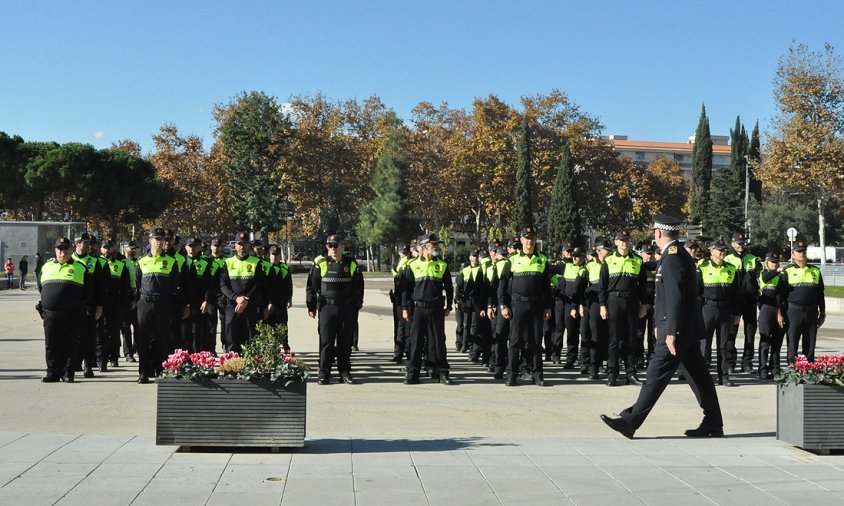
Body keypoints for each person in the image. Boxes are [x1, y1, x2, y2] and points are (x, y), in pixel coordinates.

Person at [601, 215, 723, 439]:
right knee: (699, 377)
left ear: (658, 233)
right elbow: (668, 298)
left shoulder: (673, 257)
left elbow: (675, 297)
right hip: (681, 329)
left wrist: (671, 331)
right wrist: (661, 323)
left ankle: (631, 421)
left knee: (655, 375)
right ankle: (713, 421)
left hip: (677, 332)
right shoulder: (674, 255)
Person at [498, 226, 553, 387]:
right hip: (517, 304)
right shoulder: (512, 260)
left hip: (536, 305)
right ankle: (512, 374)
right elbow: (502, 285)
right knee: (515, 341)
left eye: (532, 238)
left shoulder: (542, 259)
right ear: (521, 240)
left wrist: (548, 307)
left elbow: (547, 287)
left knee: (536, 341)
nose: (530, 241)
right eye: (527, 238)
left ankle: (537, 374)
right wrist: (503, 305)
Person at [306, 234, 364, 385]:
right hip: (327, 308)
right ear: (327, 247)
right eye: (330, 246)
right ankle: (324, 373)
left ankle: (344, 372)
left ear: (342, 247)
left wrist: (356, 305)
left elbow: (359, 286)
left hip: (346, 308)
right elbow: (312, 286)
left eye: (336, 245)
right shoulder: (320, 263)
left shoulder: (350, 263)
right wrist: (311, 306)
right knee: (326, 341)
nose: (333, 249)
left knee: (345, 342)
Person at [37, 238, 94, 382]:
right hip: (50, 314)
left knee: (70, 344)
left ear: (71, 250)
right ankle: (53, 372)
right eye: (59, 248)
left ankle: (68, 372)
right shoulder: (47, 266)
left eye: (65, 248)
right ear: (55, 250)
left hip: (71, 314)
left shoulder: (80, 267)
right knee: (51, 344)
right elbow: (41, 287)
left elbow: (88, 292)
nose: (62, 251)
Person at [400, 233, 454, 385]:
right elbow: (405, 289)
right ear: (423, 247)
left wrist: (449, 306)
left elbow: (449, 288)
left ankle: (442, 373)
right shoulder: (412, 265)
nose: (436, 247)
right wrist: (405, 308)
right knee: (416, 343)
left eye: (437, 244)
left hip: (437, 309)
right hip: (419, 310)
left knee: (438, 342)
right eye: (433, 244)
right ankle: (413, 374)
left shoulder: (442, 265)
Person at [599, 230, 648, 386]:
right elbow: (602, 286)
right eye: (621, 240)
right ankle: (612, 374)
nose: (624, 243)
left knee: (631, 339)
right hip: (614, 301)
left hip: (632, 302)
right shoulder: (608, 260)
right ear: (616, 242)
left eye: (627, 240)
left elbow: (643, 286)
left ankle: (631, 373)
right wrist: (602, 305)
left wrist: (644, 305)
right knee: (614, 340)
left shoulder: (638, 260)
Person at [134, 228, 179, 384]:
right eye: (156, 238)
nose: (159, 241)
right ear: (150, 240)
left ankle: (161, 371)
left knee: (162, 339)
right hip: (145, 303)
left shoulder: (172, 262)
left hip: (163, 303)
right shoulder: (141, 261)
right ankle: (143, 372)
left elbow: (174, 285)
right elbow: (138, 283)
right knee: (143, 339)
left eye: (162, 239)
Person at [698, 239, 741, 387]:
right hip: (707, 309)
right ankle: (703, 377)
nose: (722, 252)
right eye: (719, 250)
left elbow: (736, 294)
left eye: (724, 250)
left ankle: (724, 376)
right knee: (705, 345)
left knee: (723, 345)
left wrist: (736, 313)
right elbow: (697, 293)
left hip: (725, 309)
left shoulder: (731, 268)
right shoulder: (702, 267)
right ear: (712, 251)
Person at [220, 231, 266, 353]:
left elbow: (259, 284)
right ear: (235, 246)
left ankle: (250, 369)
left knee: (251, 339)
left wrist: (245, 299)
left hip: (250, 306)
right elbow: (223, 285)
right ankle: (232, 369)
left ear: (249, 246)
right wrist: (236, 298)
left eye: (245, 244)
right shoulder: (228, 262)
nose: (242, 247)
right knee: (231, 338)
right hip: (232, 306)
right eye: (240, 244)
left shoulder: (256, 262)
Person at [780, 240, 825, 364]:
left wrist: (822, 313)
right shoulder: (787, 271)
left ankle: (809, 373)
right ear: (793, 254)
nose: (801, 253)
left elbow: (820, 294)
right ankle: (793, 371)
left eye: (803, 251)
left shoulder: (815, 271)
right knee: (792, 344)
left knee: (810, 345)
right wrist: (780, 313)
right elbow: (781, 295)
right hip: (793, 312)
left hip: (811, 312)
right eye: (798, 251)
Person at [725, 232, 761, 373]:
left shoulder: (753, 259)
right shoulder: (728, 259)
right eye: (738, 243)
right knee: (731, 334)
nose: (741, 246)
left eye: (742, 243)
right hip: (734, 302)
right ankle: (730, 362)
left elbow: (760, 279)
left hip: (750, 301)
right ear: (733, 244)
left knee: (750, 334)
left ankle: (747, 362)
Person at [71, 232, 104, 378]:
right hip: (72, 306)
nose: (87, 244)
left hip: (89, 305)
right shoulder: (68, 259)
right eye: (84, 241)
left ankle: (88, 365)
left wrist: (99, 305)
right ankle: (74, 363)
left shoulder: (95, 261)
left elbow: (101, 285)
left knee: (89, 337)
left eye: (88, 242)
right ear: (76, 244)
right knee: (72, 336)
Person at [101, 240, 129, 370]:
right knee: (101, 332)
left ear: (114, 249)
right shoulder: (97, 263)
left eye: (109, 248)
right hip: (101, 303)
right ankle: (101, 358)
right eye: (104, 248)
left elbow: (125, 286)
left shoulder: (121, 265)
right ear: (101, 249)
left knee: (114, 331)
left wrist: (123, 303)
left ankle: (114, 357)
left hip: (116, 303)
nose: (107, 250)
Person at [757, 252, 784, 379]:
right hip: (766, 309)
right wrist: (777, 271)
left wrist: (781, 312)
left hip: (779, 309)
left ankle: (775, 368)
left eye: (777, 262)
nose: (775, 264)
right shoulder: (764, 273)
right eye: (772, 262)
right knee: (765, 341)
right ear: (766, 263)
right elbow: (766, 278)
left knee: (777, 342)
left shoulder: (781, 276)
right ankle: (762, 369)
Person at [121, 241, 139, 362]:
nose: (132, 251)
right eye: (130, 248)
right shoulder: (122, 262)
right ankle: (128, 353)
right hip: (126, 298)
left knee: (138, 327)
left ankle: (135, 348)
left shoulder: (139, 262)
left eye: (134, 249)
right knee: (125, 327)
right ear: (124, 248)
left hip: (138, 298)